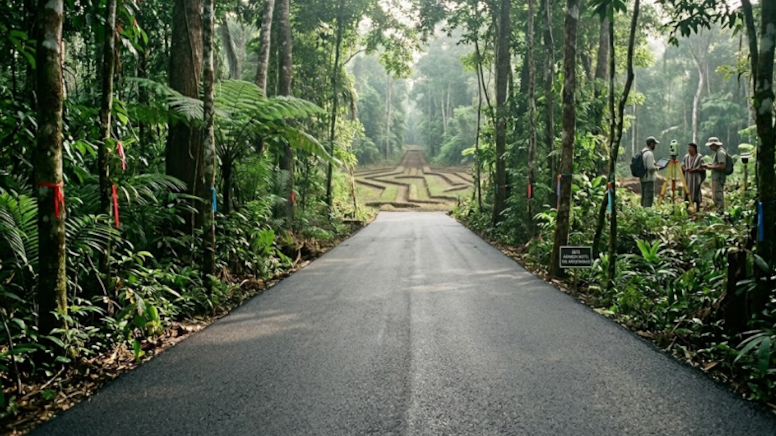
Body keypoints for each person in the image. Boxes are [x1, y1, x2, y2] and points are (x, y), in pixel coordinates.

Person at [703, 137, 727, 213]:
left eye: (711, 146)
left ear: (714, 145)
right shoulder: (717, 152)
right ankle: (718, 211)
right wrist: (710, 165)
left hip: (719, 178)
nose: (710, 147)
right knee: (715, 195)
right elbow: (718, 164)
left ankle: (720, 212)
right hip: (716, 177)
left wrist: (710, 167)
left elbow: (722, 166)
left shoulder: (720, 153)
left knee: (718, 196)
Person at [682, 143, 704, 212]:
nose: (689, 149)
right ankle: (686, 209)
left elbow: (702, 168)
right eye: (688, 148)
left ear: (694, 149)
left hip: (695, 179)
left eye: (690, 148)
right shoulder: (686, 157)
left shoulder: (699, 157)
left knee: (696, 192)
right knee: (686, 192)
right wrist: (684, 169)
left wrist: (695, 169)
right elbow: (682, 165)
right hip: (687, 178)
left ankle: (698, 209)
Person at [639, 136, 660, 207]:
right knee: (648, 197)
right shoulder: (650, 154)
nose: (655, 146)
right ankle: (647, 213)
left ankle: (642, 212)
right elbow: (650, 168)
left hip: (642, 177)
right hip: (648, 178)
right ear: (651, 144)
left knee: (644, 196)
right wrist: (657, 168)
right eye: (654, 144)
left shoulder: (643, 151)